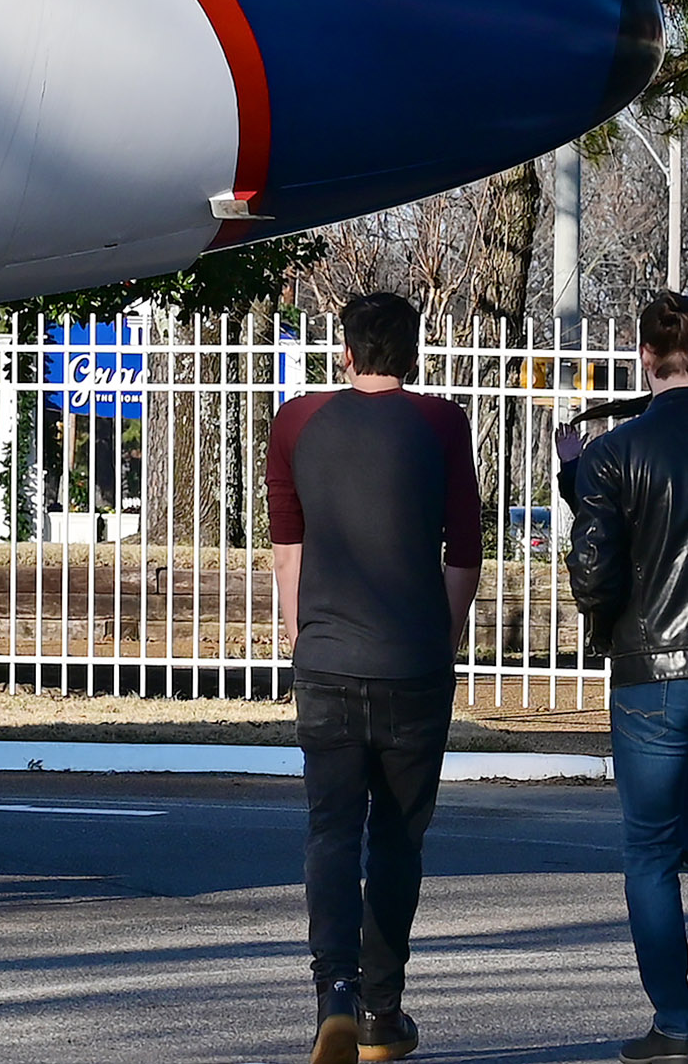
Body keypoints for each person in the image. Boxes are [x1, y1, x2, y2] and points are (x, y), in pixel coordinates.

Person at [268, 291, 480, 1064]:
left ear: (346, 352)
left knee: (331, 830)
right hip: (413, 663)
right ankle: (384, 1012)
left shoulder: (297, 421)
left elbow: (286, 549)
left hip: (326, 658)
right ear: (414, 355)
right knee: (397, 838)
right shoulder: (442, 423)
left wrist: (303, 638)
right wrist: (443, 634)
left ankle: (335, 992)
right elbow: (464, 552)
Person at [568, 290, 688, 1062]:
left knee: (651, 853)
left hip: (651, 671)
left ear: (645, 355)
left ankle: (676, 1021)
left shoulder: (614, 451)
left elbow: (591, 569)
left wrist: (608, 625)